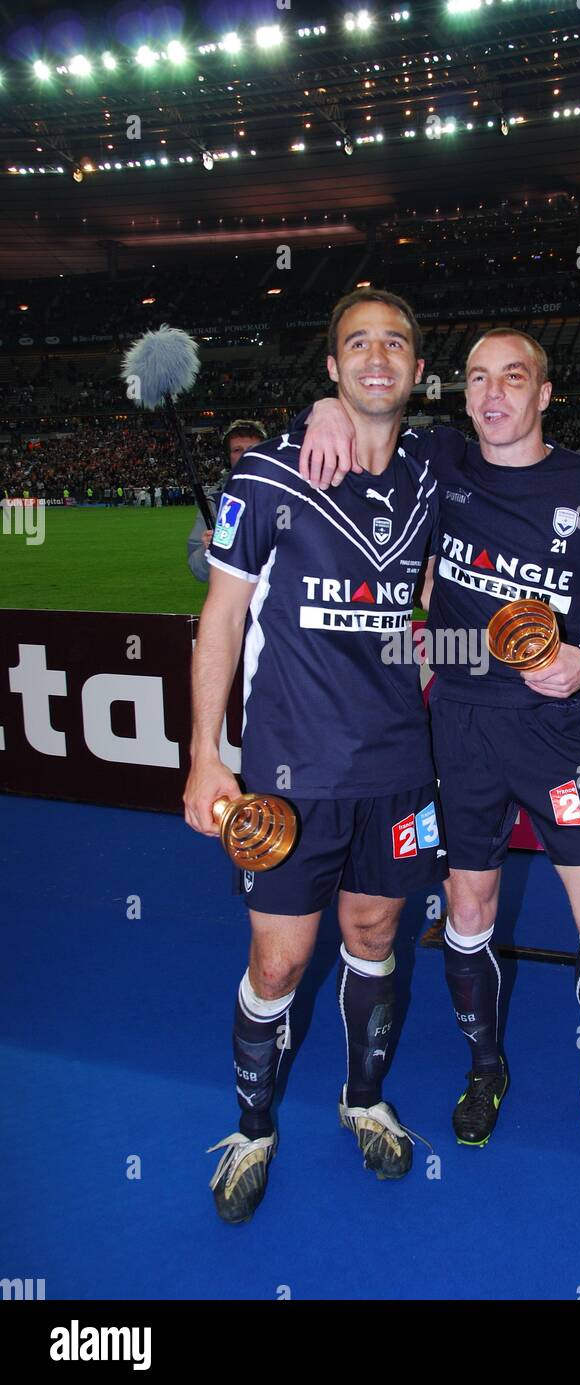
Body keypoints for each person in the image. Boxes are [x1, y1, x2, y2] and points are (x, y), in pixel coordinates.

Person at [297, 325, 580, 1173]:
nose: (493, 394)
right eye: (476, 379)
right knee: (466, 914)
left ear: (544, 394)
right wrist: (323, 403)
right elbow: (365, 408)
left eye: (514, 378)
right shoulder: (442, 463)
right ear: (461, 393)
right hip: (458, 724)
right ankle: (485, 1069)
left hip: (558, 729)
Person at [183, 290, 445, 1222]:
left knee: (376, 942)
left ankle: (363, 1098)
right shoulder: (266, 477)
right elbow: (220, 618)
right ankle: (252, 1126)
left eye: (396, 344)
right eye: (356, 346)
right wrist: (207, 756)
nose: (378, 358)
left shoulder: (433, 471)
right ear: (331, 367)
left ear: (419, 369)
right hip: (290, 777)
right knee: (282, 962)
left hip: (398, 770)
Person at [186, 420, 267, 581]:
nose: (245, 455)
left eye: (252, 449)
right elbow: (199, 571)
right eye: (238, 450)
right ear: (227, 458)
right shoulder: (216, 504)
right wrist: (208, 551)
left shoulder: (287, 496)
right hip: (237, 602)